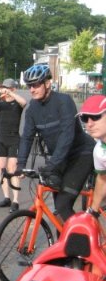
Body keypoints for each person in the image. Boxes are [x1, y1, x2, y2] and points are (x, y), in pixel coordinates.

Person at [17, 64, 94, 221]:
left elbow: (67, 136)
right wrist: (21, 164)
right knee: (58, 209)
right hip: (60, 159)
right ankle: (64, 237)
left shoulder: (64, 101)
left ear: (47, 83)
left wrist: (52, 165)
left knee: (62, 204)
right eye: (29, 86)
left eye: (36, 85)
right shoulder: (32, 109)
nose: (32, 89)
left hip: (81, 154)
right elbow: (27, 137)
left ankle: (79, 237)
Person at [0, 78, 26, 213]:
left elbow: (24, 102)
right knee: (1, 169)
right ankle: (6, 198)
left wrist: (10, 93)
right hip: (0, 138)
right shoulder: (0, 104)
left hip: (14, 139)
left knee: (12, 169)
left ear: (13, 89)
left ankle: (15, 201)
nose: (4, 90)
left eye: (7, 88)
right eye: (3, 88)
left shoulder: (17, 103)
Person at [77, 95, 106, 216]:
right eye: (85, 118)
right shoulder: (99, 150)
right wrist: (93, 211)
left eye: (95, 116)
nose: (89, 124)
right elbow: (103, 179)